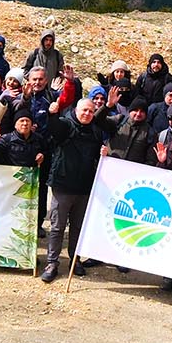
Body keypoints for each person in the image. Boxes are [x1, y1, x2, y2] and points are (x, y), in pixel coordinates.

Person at [40, 92, 112, 283]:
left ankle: (75, 259)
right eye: (84, 110)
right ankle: (52, 263)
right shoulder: (65, 124)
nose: (87, 114)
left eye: (91, 111)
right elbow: (54, 128)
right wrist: (52, 114)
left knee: (78, 228)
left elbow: (98, 156)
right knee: (57, 227)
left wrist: (103, 153)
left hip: (84, 188)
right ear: (76, 111)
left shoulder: (96, 132)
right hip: (62, 186)